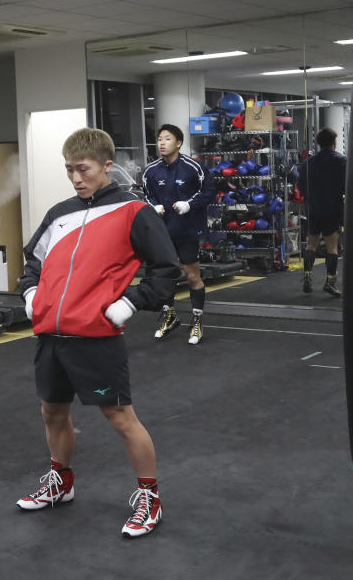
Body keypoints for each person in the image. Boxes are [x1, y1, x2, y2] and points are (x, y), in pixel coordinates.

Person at [16, 128, 181, 539]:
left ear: (107, 166)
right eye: (69, 170)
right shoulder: (59, 213)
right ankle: (61, 482)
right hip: (52, 334)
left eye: (83, 169)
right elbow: (32, 262)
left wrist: (130, 302)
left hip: (97, 336)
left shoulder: (133, 212)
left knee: (121, 417)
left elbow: (166, 268)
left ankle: (149, 497)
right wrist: (33, 293)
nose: (75, 178)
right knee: (52, 412)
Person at [141, 124, 215, 345]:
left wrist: (190, 205)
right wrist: (152, 206)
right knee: (164, 276)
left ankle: (197, 321)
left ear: (179, 143)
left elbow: (209, 192)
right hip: (162, 232)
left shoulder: (195, 168)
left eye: (167, 139)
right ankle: (170, 315)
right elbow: (146, 194)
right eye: (160, 139)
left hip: (187, 230)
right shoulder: (150, 171)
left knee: (192, 276)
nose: (162, 143)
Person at [297, 127, 347, 296]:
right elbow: (347, 185)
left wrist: (310, 197)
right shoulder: (341, 161)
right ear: (334, 143)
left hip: (313, 207)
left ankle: (307, 277)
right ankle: (330, 282)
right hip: (332, 207)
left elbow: (301, 185)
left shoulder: (308, 163)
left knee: (311, 243)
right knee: (332, 246)